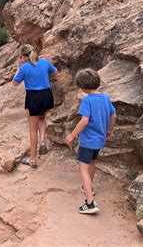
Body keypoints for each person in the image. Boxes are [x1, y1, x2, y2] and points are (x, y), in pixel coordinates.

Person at [65, 68, 117, 214]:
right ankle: (90, 188)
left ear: (81, 86)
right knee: (91, 163)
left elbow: (84, 120)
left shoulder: (87, 101)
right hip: (100, 139)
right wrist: (109, 131)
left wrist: (72, 135)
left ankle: (89, 203)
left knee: (83, 168)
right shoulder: (105, 98)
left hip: (87, 140)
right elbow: (113, 117)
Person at [13, 44, 57, 168]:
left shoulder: (24, 67)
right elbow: (55, 71)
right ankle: (42, 142)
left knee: (33, 129)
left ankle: (32, 160)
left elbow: (15, 83)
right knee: (42, 118)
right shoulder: (44, 62)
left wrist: (18, 67)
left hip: (33, 97)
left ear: (24, 56)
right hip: (47, 95)